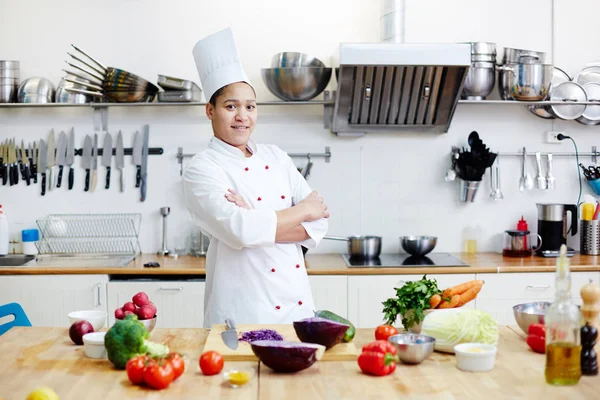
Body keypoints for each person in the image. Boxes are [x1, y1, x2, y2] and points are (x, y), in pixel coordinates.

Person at [183, 28, 329, 328]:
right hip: (242, 311)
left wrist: (255, 219)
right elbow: (241, 231)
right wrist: (301, 212)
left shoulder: (275, 156)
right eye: (231, 106)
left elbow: (320, 223)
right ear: (210, 111)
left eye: (250, 107)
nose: (242, 116)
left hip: (296, 308)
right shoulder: (202, 168)